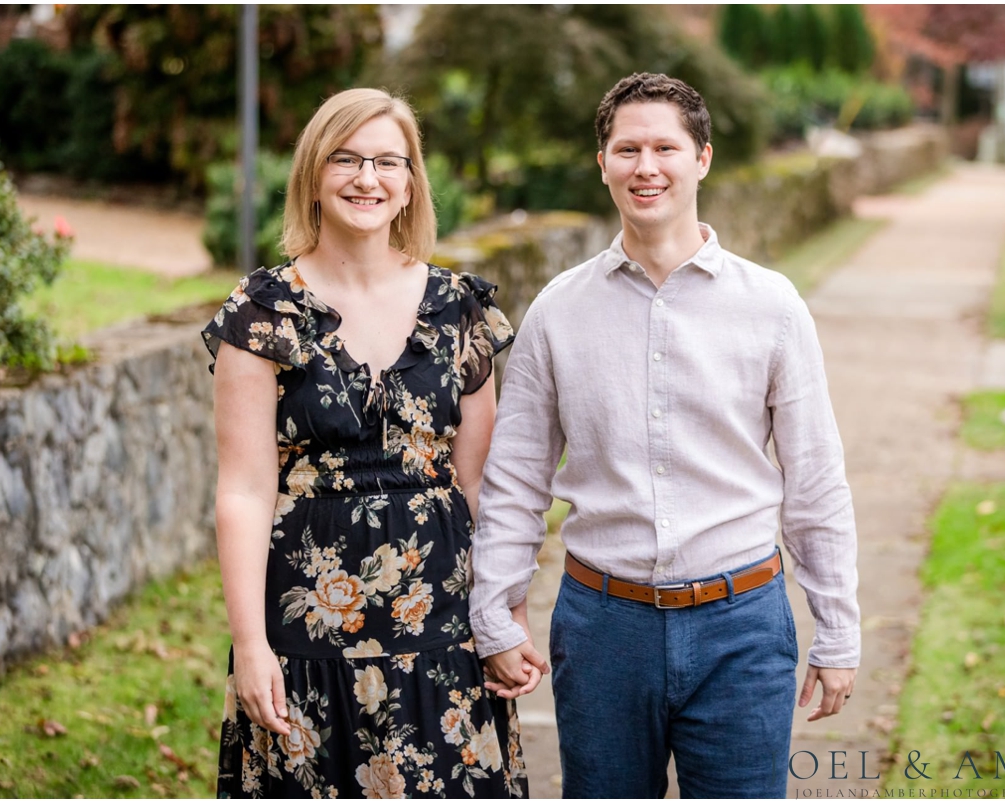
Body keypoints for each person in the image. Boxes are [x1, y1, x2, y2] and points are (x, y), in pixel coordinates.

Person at [470, 73, 860, 798]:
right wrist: (494, 610)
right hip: (602, 630)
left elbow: (814, 480)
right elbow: (516, 479)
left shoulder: (771, 306)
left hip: (742, 627)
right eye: (627, 149)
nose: (645, 167)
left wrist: (837, 629)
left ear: (702, 158)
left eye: (664, 147)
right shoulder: (558, 311)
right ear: (603, 164)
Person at [202, 87, 527, 798]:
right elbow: (245, 490)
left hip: (441, 625)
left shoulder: (459, 310)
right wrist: (253, 644)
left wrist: (505, 619)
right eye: (346, 159)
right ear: (314, 176)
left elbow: (484, 490)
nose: (367, 178)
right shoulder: (261, 314)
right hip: (306, 627)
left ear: (411, 183)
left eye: (388, 161)